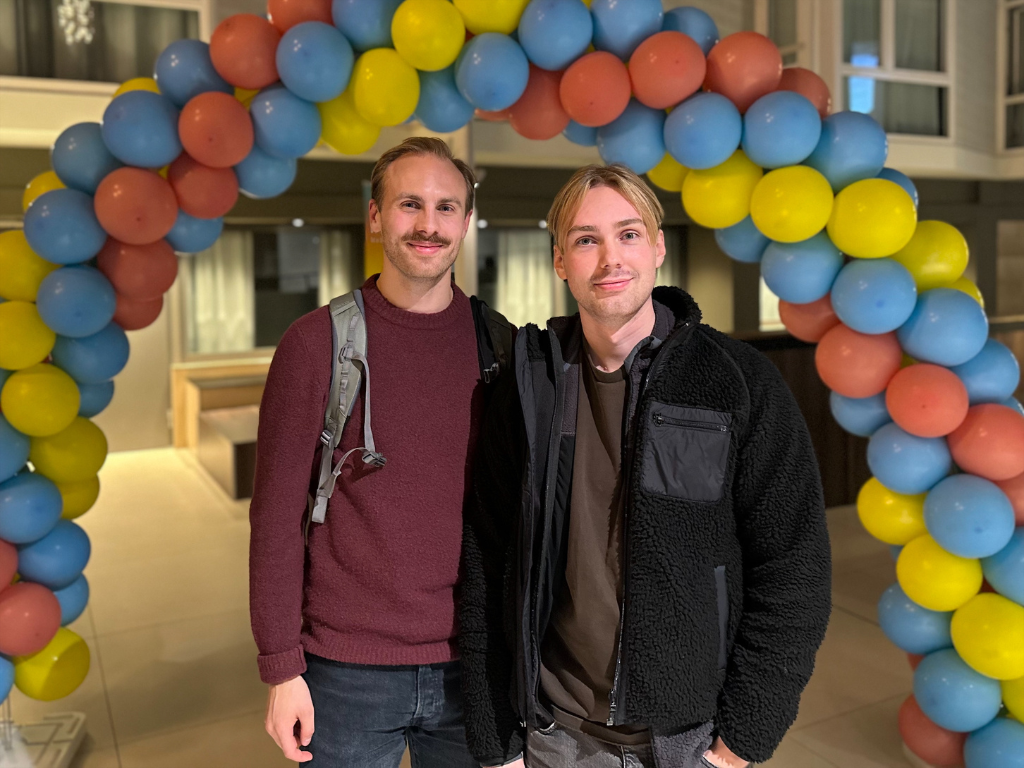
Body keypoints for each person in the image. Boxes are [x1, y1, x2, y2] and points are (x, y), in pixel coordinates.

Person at [460, 164, 832, 768]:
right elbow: (486, 557)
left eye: (629, 234)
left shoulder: (737, 381)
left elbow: (794, 568)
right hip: (552, 730)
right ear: (560, 261)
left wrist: (739, 744)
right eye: (586, 239)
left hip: (689, 738)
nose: (611, 258)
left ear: (658, 246)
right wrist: (497, 740)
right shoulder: (529, 386)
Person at [250, 137, 508, 767]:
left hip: (470, 664)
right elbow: (277, 521)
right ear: (375, 217)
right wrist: (282, 668)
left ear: (467, 223)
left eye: (447, 208)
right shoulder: (315, 345)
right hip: (345, 671)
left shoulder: (497, 342)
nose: (429, 224)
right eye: (409, 204)